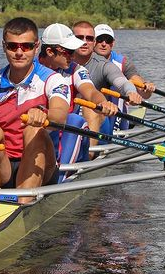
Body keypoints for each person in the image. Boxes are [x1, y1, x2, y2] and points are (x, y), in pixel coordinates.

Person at [0, 17, 71, 203]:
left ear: (37, 47)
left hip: (43, 165)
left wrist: (44, 114)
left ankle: (23, 203)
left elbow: (60, 116)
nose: (19, 52)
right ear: (4, 46)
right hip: (4, 165)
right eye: (13, 46)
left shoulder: (53, 80)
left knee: (34, 129)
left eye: (26, 46)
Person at [38, 23, 118, 167]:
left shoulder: (76, 70)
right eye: (69, 51)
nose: (74, 56)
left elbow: (90, 91)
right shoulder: (30, 69)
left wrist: (103, 102)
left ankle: (86, 159)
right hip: (39, 130)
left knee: (78, 117)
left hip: (67, 131)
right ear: (50, 52)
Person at [72, 21, 154, 135]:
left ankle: (97, 143)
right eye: (100, 39)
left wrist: (134, 93)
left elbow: (126, 84)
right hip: (74, 114)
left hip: (107, 114)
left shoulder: (116, 64)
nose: (104, 44)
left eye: (108, 40)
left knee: (91, 108)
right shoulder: (64, 60)